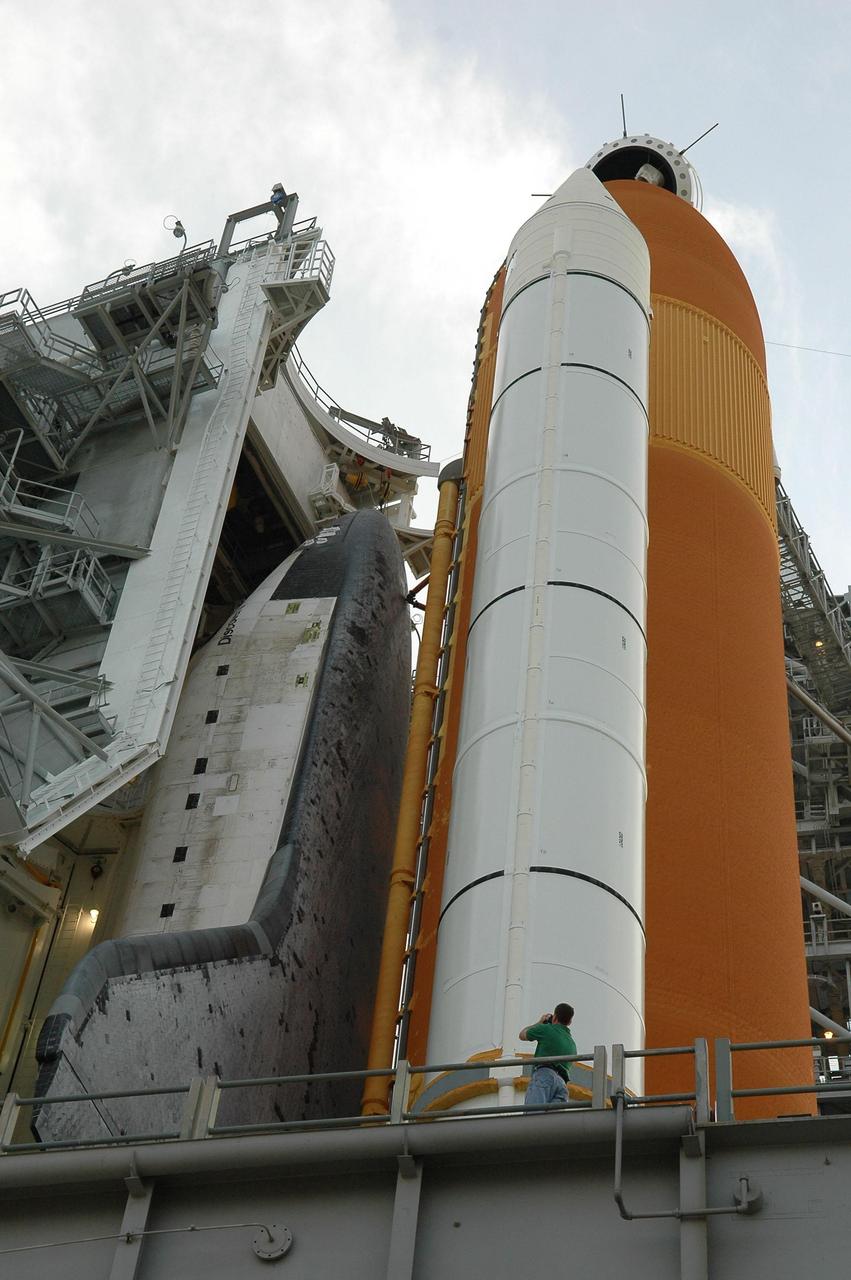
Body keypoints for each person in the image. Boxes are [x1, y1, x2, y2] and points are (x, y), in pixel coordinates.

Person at [519, 1003, 576, 1109]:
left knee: (533, 1119)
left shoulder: (546, 1029)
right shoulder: (572, 1044)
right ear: (569, 1022)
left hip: (544, 1076)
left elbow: (522, 1035)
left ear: (555, 1017)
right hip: (562, 1085)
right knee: (552, 1124)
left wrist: (540, 1022)